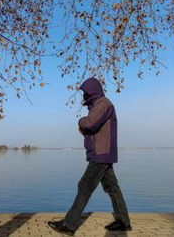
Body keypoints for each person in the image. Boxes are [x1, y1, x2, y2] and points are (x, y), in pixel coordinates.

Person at [48, 77, 132, 235]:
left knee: (84, 187)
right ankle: (123, 221)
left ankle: (69, 225)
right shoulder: (100, 104)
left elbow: (90, 123)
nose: (83, 96)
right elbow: (94, 127)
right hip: (103, 154)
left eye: (85, 93)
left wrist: (80, 121)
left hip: (100, 155)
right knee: (113, 188)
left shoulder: (102, 104)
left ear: (91, 91)